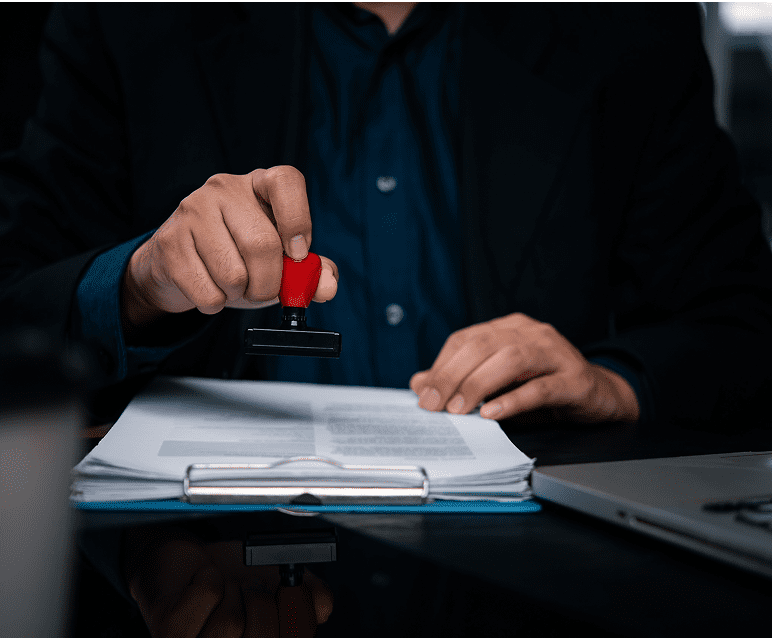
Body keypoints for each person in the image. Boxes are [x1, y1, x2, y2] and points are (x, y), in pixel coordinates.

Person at [2, 3, 772, 636]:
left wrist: (619, 381)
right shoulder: (125, 19)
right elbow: (19, 306)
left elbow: (741, 323)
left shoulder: (631, 26)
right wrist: (137, 284)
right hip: (197, 567)